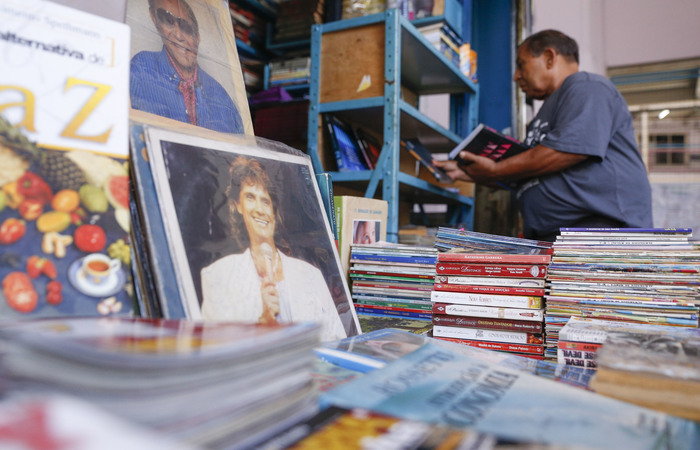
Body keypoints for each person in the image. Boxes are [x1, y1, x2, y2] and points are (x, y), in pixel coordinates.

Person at [434, 29, 653, 242]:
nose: (516, 76)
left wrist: (496, 169)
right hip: (557, 237)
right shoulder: (547, 112)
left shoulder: (587, 86)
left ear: (549, 58)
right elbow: (530, 173)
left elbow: (566, 152)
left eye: (521, 65)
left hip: (601, 235)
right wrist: (468, 171)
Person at [200, 156, 346, 341]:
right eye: (250, 197)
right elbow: (215, 353)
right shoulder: (217, 276)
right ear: (238, 205)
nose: (260, 209)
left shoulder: (311, 275)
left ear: (274, 210)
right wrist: (262, 323)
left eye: (266, 201)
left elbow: (338, 341)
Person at [130, 0, 244, 134]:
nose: (178, 36)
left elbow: (240, 153)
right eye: (167, 19)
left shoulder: (222, 98)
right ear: (155, 20)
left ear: (198, 37)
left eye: (186, 28)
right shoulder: (140, 70)